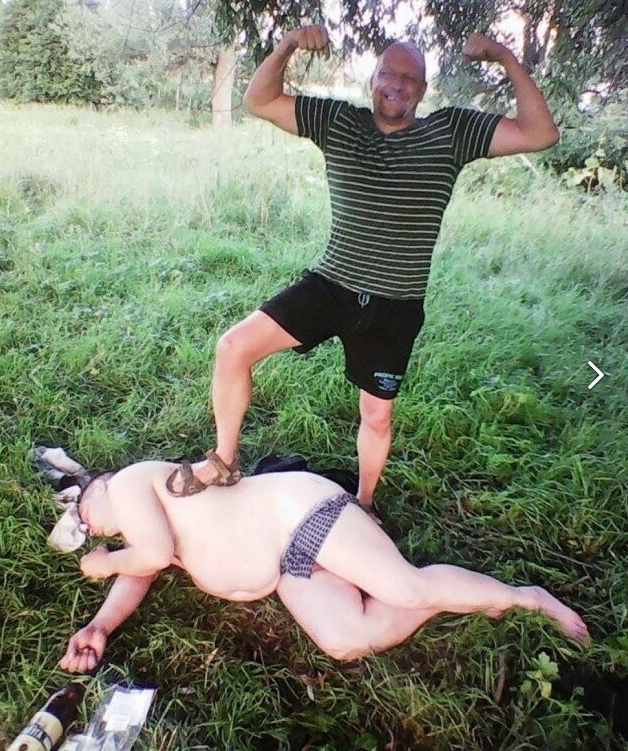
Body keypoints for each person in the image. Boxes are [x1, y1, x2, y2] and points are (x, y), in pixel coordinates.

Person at [165, 26, 561, 515]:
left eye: (410, 78)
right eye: (389, 73)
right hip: (331, 284)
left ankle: (364, 503)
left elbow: (541, 133)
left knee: (376, 416)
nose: (398, 83)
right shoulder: (339, 122)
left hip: (395, 304)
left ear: (423, 89)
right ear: (373, 79)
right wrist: (288, 45)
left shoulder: (451, 133)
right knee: (232, 347)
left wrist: (504, 56)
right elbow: (259, 101)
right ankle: (224, 462)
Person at [58, 459, 588, 672]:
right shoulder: (138, 529)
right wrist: (100, 624)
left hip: (299, 513)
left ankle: (526, 598)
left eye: (82, 515)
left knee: (403, 588)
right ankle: (446, 597)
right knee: (345, 640)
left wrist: (98, 564)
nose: (89, 529)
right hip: (288, 562)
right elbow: (143, 566)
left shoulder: (127, 484)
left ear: (98, 485)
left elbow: (147, 556)